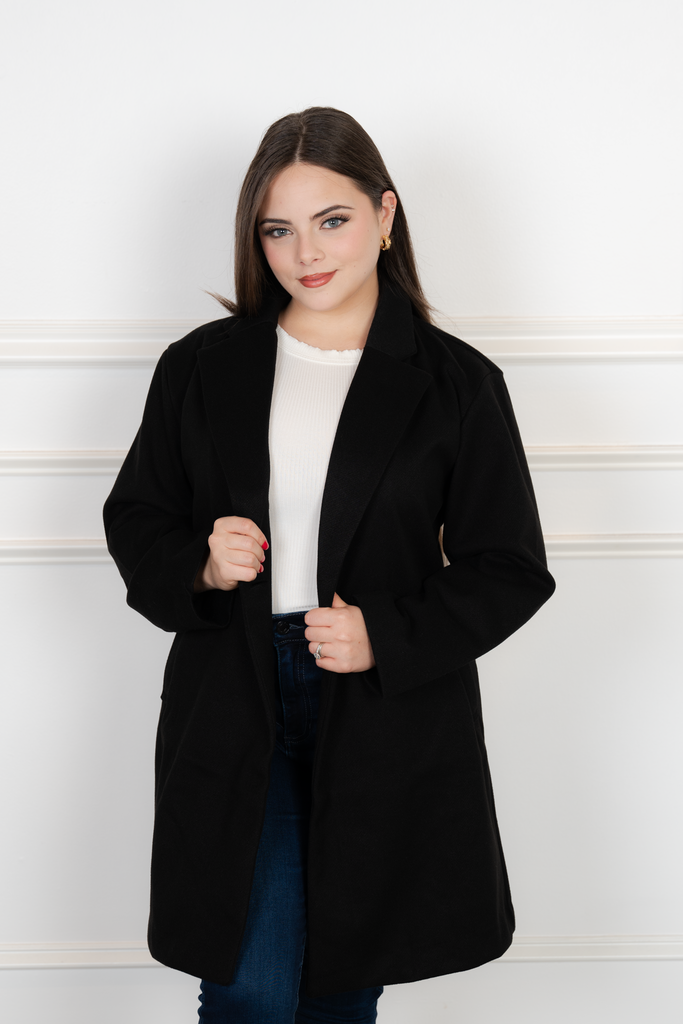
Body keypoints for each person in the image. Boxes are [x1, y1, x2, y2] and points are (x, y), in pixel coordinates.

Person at [103, 106, 556, 1023]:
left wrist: (383, 633)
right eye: (278, 229)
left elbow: (508, 566)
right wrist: (200, 564)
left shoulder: (456, 383)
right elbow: (137, 515)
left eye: (332, 220)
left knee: (342, 988)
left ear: (385, 215)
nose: (304, 252)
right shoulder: (200, 367)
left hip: (382, 710)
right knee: (250, 989)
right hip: (234, 697)